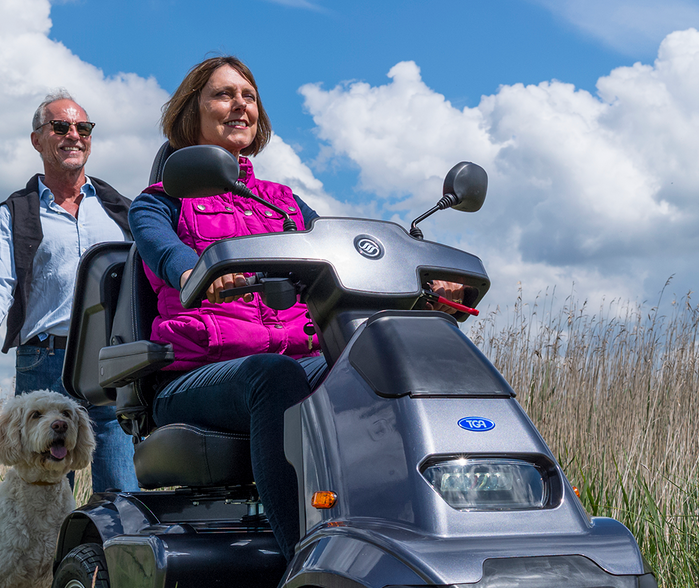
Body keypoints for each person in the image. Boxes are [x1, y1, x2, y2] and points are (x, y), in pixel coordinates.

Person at [128, 56, 471, 559]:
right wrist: (198, 274)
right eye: (223, 95)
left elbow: (343, 263)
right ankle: (305, 565)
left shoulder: (284, 206)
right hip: (196, 376)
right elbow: (170, 257)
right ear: (191, 114)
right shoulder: (159, 202)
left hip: (287, 361)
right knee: (272, 376)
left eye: (248, 96)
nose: (240, 104)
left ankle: (420, 542)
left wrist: (424, 288)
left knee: (376, 363)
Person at [0, 90, 137, 493]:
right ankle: (49, 560)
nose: (74, 134)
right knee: (41, 492)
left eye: (82, 127)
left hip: (113, 360)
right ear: (38, 139)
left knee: (124, 490)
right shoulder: (13, 213)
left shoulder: (121, 210)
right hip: (46, 362)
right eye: (61, 126)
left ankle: (117, 556)